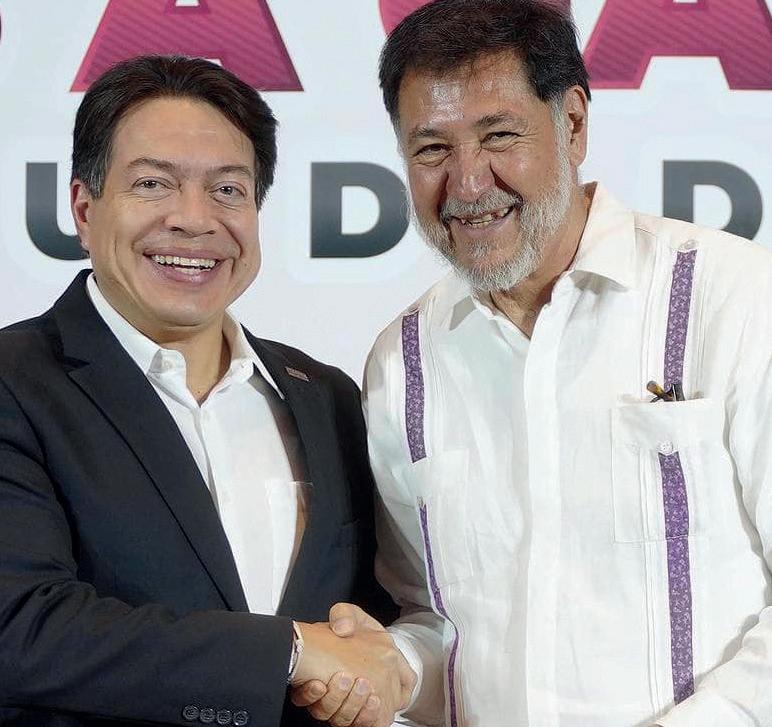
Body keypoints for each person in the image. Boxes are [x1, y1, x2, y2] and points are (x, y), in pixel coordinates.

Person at [295, 0, 772, 725]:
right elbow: (435, 616)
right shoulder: (402, 362)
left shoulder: (735, 297)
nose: (467, 183)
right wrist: (395, 667)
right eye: (431, 149)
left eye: (499, 136)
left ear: (572, 124)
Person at [0, 55, 415, 727]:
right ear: (83, 207)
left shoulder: (328, 398)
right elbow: (21, 626)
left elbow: (371, 622)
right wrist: (288, 652)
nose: (194, 220)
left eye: (227, 190)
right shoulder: (14, 382)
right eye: (153, 184)